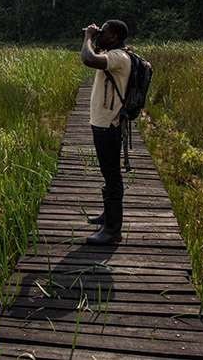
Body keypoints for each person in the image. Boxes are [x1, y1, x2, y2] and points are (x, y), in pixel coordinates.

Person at [80, 19, 131, 245]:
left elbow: (88, 58)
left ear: (114, 37)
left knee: (112, 175)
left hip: (109, 125)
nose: (100, 34)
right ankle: (108, 217)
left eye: (104, 31)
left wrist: (88, 37)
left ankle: (112, 230)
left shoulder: (119, 58)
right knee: (108, 172)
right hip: (104, 122)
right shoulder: (114, 54)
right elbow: (95, 54)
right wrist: (94, 38)